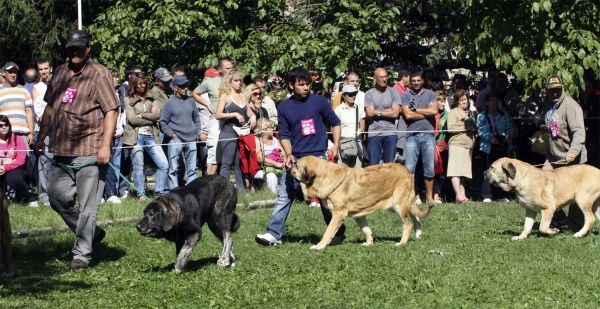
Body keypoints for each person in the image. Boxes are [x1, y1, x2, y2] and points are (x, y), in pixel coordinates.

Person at [34, 29, 120, 270]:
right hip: (62, 150)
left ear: (88, 48)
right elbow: (50, 107)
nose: (74, 52)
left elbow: (111, 110)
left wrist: (105, 145)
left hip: (90, 150)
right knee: (56, 197)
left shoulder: (99, 74)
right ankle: (91, 232)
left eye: (79, 48)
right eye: (71, 48)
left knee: (88, 207)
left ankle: (81, 255)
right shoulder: (60, 72)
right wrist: (42, 138)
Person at [255, 66, 345, 246]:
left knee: (325, 198)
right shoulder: (285, 107)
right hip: (296, 160)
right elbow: (285, 134)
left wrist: (335, 145)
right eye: (301, 84)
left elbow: (335, 123)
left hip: (319, 159)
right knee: (285, 195)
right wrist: (288, 154)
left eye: (308, 84)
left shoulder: (319, 102)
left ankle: (337, 233)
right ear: (291, 85)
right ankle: (274, 234)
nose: (305, 88)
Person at [538, 74, 587, 230]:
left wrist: (573, 151)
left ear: (563, 89)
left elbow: (579, 132)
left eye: (558, 90)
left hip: (573, 158)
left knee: (575, 192)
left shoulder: (571, 107)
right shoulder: (547, 104)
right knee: (541, 184)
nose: (555, 93)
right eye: (551, 90)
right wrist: (543, 126)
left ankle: (576, 225)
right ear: (546, 91)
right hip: (553, 157)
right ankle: (559, 219)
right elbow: (546, 120)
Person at [123, 73, 168, 199]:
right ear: (134, 85)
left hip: (152, 135)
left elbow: (158, 115)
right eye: (140, 84)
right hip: (135, 137)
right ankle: (141, 194)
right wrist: (150, 116)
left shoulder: (151, 98)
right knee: (138, 167)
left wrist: (142, 115)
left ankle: (159, 193)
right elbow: (132, 120)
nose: (143, 86)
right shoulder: (128, 100)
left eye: (144, 83)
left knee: (163, 164)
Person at [401, 70, 439, 204]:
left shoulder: (430, 94)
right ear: (410, 82)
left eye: (418, 80)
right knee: (409, 168)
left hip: (428, 135)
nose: (416, 83)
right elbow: (408, 115)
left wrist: (415, 109)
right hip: (412, 135)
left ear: (422, 80)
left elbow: (434, 111)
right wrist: (426, 112)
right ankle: (410, 198)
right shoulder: (405, 95)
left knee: (429, 168)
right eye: (413, 81)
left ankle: (429, 198)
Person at [216, 71, 257, 193]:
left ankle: (241, 190)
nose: (239, 83)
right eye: (236, 80)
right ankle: (223, 191)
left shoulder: (242, 95)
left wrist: (253, 116)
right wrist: (234, 114)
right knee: (227, 163)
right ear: (230, 81)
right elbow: (218, 114)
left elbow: (249, 112)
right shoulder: (225, 95)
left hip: (242, 133)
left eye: (240, 80)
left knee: (240, 162)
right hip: (228, 131)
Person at [192, 58, 234, 175]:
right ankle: (210, 182)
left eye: (232, 68)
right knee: (214, 152)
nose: (230, 71)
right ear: (220, 69)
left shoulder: (236, 82)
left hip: (233, 120)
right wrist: (206, 104)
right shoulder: (211, 82)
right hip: (216, 120)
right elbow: (195, 93)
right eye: (227, 68)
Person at [159, 75, 201, 190]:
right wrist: (172, 134)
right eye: (182, 86)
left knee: (192, 169)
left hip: (192, 138)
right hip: (176, 139)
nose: (185, 88)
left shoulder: (191, 101)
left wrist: (197, 133)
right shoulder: (169, 103)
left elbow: (197, 118)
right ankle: (174, 192)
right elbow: (163, 122)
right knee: (173, 169)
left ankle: (192, 191)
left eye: (186, 85)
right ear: (175, 88)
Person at [477, 91, 514, 202]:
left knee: (502, 170)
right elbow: (480, 130)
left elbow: (510, 128)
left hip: (501, 145)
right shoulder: (481, 116)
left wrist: (509, 135)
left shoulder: (504, 114)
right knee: (488, 169)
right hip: (488, 146)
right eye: (492, 100)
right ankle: (487, 195)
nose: (495, 102)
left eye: (496, 100)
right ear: (487, 103)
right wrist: (489, 137)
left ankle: (502, 195)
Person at [364, 68, 401, 165]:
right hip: (374, 134)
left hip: (390, 133)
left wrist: (377, 112)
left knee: (389, 166)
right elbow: (370, 114)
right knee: (373, 167)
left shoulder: (394, 92)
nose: (384, 79)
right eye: (381, 77)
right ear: (375, 78)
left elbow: (395, 113)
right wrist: (389, 111)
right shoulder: (369, 93)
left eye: (386, 77)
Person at [446, 89, 477, 203]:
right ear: (457, 101)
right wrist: (466, 128)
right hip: (456, 144)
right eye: (461, 100)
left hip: (468, 146)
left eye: (466, 99)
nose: (464, 102)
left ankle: (463, 196)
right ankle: (458, 195)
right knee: (455, 171)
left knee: (463, 173)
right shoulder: (454, 112)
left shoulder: (470, 113)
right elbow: (450, 128)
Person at [0, 116, 37, 206]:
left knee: (13, 178)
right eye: (0, 125)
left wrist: (5, 168)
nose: (4, 127)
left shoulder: (17, 139)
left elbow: (21, 160)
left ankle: (30, 198)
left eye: (6, 124)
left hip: (16, 168)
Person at [0, 62, 35, 147]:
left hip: (22, 133)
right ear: (4, 72)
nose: (13, 74)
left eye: (15, 72)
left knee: (23, 159)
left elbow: (29, 112)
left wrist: (31, 132)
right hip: (4, 134)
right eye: (10, 72)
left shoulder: (24, 90)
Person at [334, 84, 365, 168]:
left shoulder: (360, 109)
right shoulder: (338, 110)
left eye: (355, 94)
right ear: (344, 95)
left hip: (356, 143)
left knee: (357, 173)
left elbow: (362, 127)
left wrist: (354, 137)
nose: (353, 97)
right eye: (350, 94)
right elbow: (334, 128)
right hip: (343, 144)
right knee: (343, 172)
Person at [253, 118, 285, 194]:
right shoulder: (256, 140)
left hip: (279, 166)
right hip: (261, 169)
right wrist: (277, 164)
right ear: (263, 130)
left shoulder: (275, 139)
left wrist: (284, 163)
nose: (272, 129)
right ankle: (274, 196)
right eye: (270, 128)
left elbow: (283, 154)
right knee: (271, 176)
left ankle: (285, 195)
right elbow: (260, 159)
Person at [433, 91, 449, 204]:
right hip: (430, 145)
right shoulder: (431, 114)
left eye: (444, 101)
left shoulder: (447, 114)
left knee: (439, 171)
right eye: (441, 101)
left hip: (441, 146)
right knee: (429, 172)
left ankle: (437, 196)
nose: (443, 104)